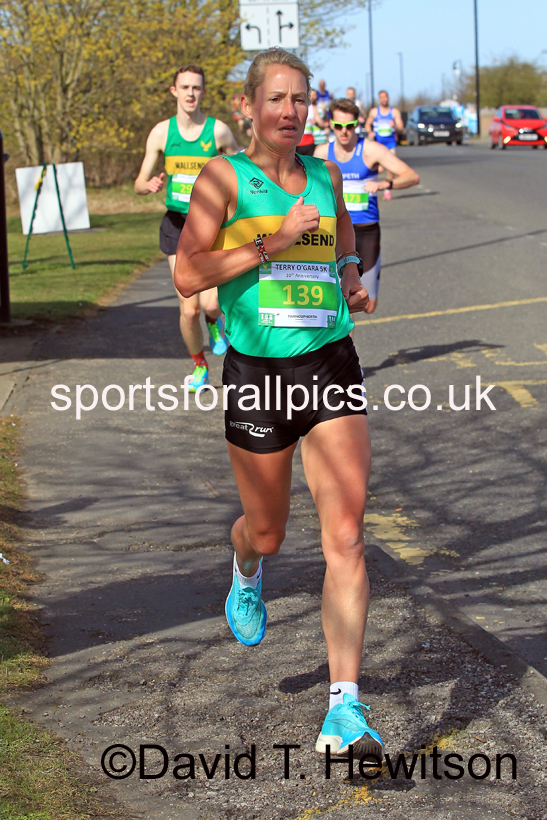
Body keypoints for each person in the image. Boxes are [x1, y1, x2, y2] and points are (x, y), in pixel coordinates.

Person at [175, 48, 384, 760]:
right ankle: (245, 567)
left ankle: (344, 709)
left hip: (329, 363)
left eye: (301, 99)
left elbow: (344, 234)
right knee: (267, 532)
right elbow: (186, 273)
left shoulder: (324, 175)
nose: (291, 111)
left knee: (347, 538)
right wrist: (272, 241)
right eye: (277, 99)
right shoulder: (221, 178)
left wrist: (349, 275)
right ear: (248, 106)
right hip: (258, 374)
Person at [135, 65, 238, 389]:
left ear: (203, 92)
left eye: (197, 88)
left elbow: (243, 173)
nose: (191, 93)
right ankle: (199, 366)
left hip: (210, 226)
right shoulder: (161, 133)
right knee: (188, 309)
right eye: (185, 87)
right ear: (174, 91)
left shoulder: (218, 131)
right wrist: (147, 184)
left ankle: (215, 323)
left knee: (209, 305)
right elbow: (138, 182)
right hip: (177, 225)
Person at [315, 98, 419, 313]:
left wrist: (384, 183)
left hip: (366, 231)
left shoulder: (372, 150)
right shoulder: (322, 153)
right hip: (335, 233)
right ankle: (345, 343)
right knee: (343, 300)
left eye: (350, 126)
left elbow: (412, 176)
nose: (344, 132)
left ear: (357, 125)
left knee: (368, 305)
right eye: (338, 126)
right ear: (331, 125)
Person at [364, 90, 404, 200]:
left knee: (390, 168)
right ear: (379, 99)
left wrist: (395, 126)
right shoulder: (374, 112)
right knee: (379, 169)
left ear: (388, 98)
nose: (383, 99)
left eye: (385, 97)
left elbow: (401, 127)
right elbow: (367, 124)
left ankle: (387, 190)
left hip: (390, 144)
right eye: (381, 97)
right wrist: (369, 132)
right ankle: (369, 185)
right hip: (378, 144)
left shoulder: (394, 112)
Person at [297, 88, 328, 156]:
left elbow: (325, 123)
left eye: (314, 95)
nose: (312, 97)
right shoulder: (302, 106)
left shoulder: (319, 106)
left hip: (315, 139)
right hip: (303, 140)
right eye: (311, 95)